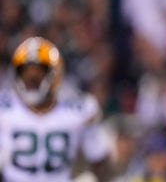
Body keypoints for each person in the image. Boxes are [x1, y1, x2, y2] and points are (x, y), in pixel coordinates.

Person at [0, 36, 113, 182]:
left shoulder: (79, 111)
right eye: (26, 74)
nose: (32, 80)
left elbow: (100, 161)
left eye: (38, 75)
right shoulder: (5, 109)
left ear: (55, 75)